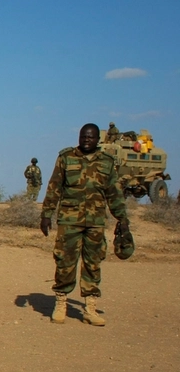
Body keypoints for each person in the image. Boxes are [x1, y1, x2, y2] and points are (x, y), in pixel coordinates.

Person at [40, 123, 129, 326]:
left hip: (95, 222)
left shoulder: (107, 162)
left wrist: (122, 219)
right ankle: (61, 303)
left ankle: (90, 308)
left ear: (98, 139)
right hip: (69, 220)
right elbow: (54, 187)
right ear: (79, 137)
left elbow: (114, 193)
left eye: (90, 137)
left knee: (93, 263)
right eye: (83, 137)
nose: (86, 140)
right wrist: (46, 215)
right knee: (65, 261)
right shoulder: (66, 157)